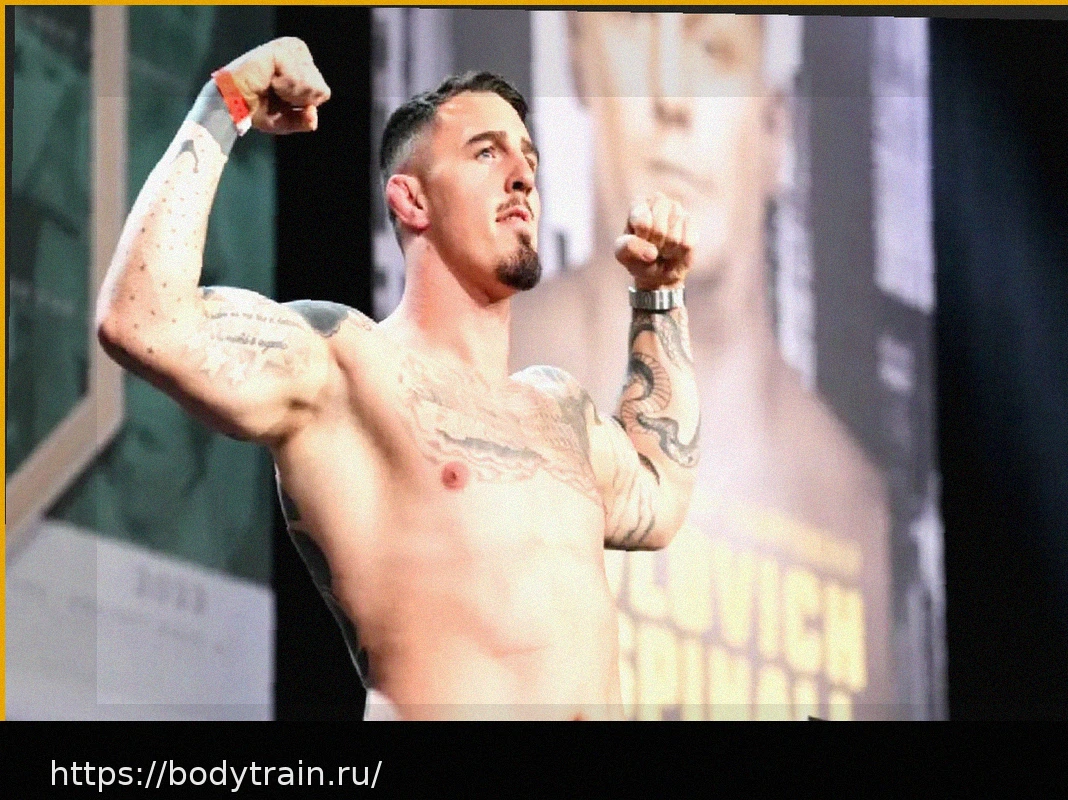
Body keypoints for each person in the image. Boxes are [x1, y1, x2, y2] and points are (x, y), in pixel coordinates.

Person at [96, 37, 701, 720]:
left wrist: (660, 295)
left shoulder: (561, 411)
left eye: (529, 159)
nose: (523, 177)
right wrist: (226, 100)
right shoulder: (347, 365)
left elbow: (660, 494)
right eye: (487, 153)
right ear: (411, 200)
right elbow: (141, 320)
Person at [510, 12, 891, 719]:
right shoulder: (486, 369)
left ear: (774, 126)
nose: (672, 100)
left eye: (713, 49)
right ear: (577, 59)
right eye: (634, 30)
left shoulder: (852, 506)